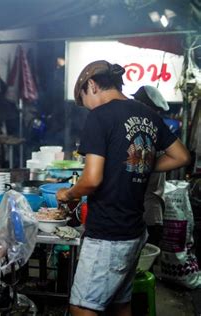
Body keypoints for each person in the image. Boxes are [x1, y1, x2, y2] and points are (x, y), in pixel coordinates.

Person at [56, 60, 190, 316]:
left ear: (92, 85)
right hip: (134, 231)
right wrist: (140, 164)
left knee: (81, 308)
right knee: (120, 304)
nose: (88, 109)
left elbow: (92, 180)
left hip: (108, 232)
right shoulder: (148, 114)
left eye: (85, 101)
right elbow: (182, 156)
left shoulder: (100, 116)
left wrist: (68, 193)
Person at [132, 85, 170, 247]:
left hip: (147, 216)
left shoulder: (149, 135)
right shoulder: (155, 131)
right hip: (151, 214)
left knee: (142, 268)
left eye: (137, 103)